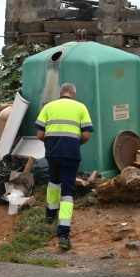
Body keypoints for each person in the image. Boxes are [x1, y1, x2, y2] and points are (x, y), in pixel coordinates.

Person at [35, 83, 94, 250]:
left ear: (60, 93)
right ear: (73, 94)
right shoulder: (80, 107)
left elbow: (39, 134)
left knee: (53, 182)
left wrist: (51, 142)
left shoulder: (49, 107)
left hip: (52, 153)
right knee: (67, 191)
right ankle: (63, 234)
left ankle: (50, 215)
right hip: (71, 154)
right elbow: (86, 134)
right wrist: (76, 142)